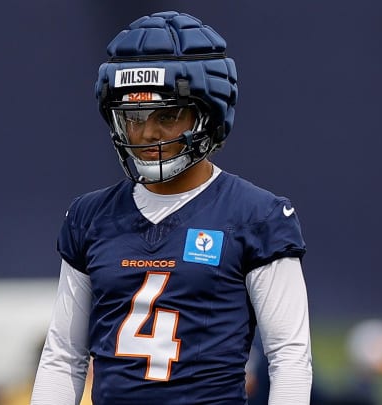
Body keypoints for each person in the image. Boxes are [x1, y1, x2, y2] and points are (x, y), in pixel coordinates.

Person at [31, 10, 312, 405]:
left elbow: (290, 358)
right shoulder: (89, 217)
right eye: (134, 116)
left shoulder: (257, 216)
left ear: (208, 114)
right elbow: (63, 356)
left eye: (168, 115)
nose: (147, 132)